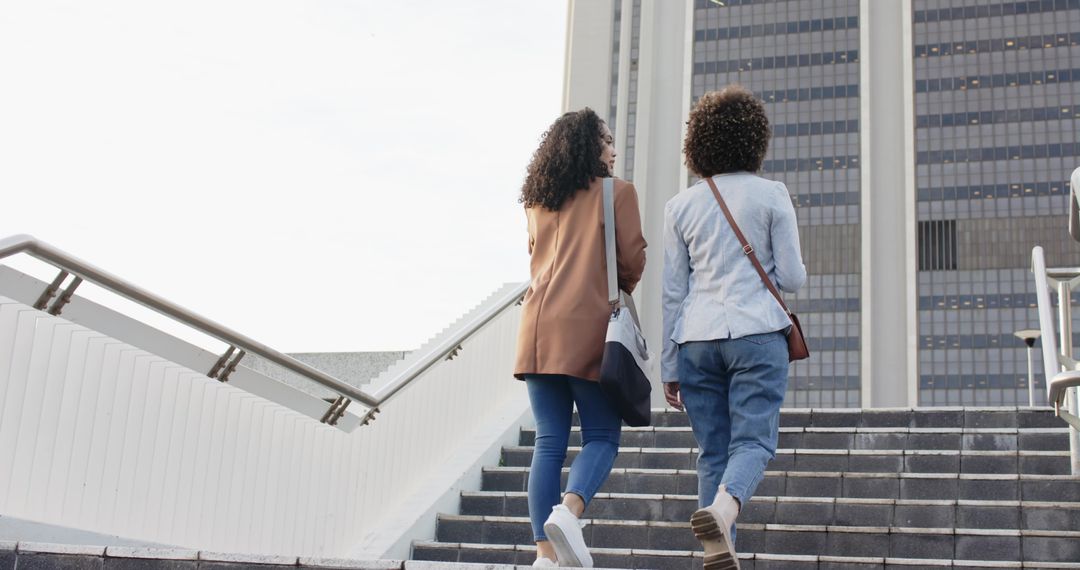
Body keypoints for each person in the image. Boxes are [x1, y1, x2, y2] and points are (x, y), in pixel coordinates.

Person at [661, 85, 806, 570]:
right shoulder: (771, 195)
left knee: (712, 453)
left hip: (695, 341)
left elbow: (672, 293)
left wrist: (667, 366)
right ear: (755, 141)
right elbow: (792, 279)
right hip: (757, 332)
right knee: (754, 442)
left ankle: (718, 550)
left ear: (698, 144)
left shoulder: (680, 206)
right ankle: (724, 511)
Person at [514, 107, 647, 568]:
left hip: (534, 330)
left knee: (548, 440)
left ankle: (545, 555)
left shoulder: (538, 200)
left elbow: (534, 258)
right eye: (607, 140)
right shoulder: (617, 192)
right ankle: (570, 513)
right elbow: (631, 262)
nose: (613, 149)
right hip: (588, 327)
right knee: (603, 437)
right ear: (591, 146)